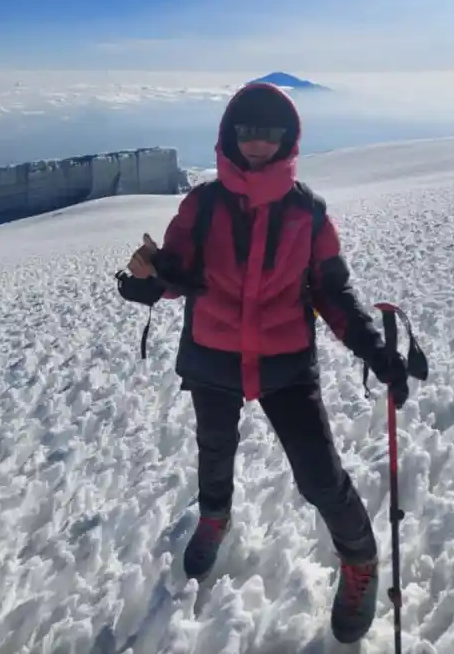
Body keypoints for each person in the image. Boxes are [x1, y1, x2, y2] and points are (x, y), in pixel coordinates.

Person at [126, 80, 409, 645]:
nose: (257, 143)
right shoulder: (201, 206)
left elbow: (332, 291)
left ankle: (360, 563)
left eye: (270, 131)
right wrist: (145, 281)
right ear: (230, 136)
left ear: (288, 139)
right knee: (214, 448)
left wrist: (375, 350)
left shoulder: (308, 213)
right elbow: (174, 274)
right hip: (212, 357)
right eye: (247, 130)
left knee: (319, 475)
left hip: (284, 363)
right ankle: (214, 516)